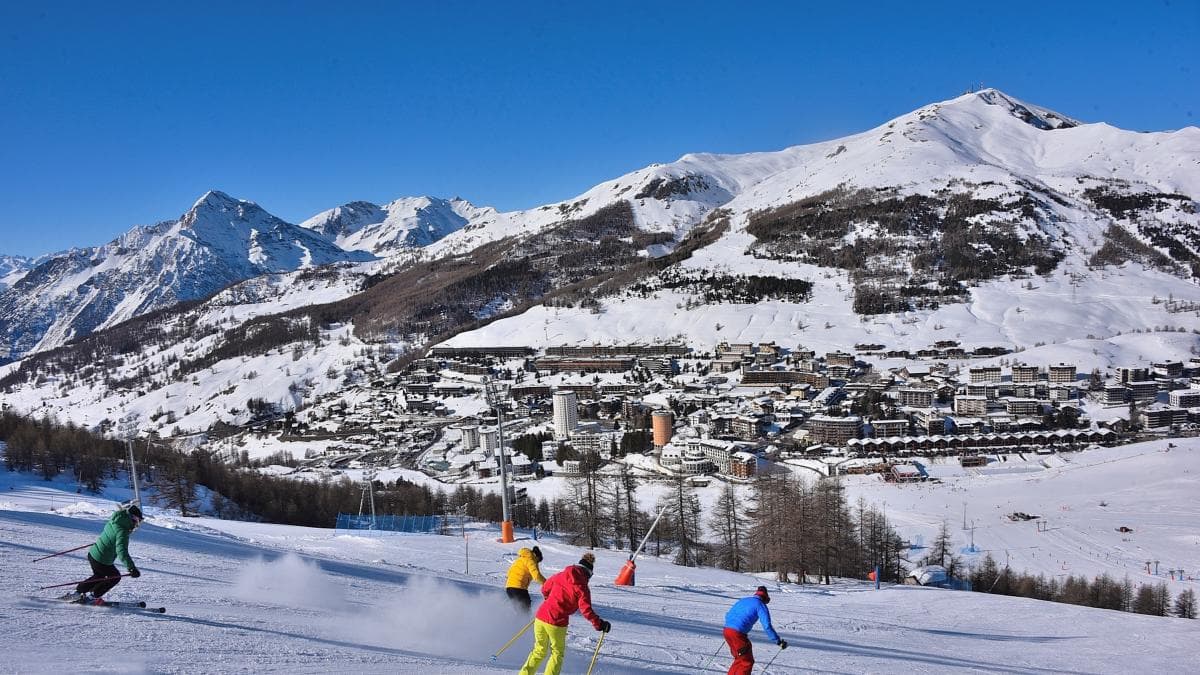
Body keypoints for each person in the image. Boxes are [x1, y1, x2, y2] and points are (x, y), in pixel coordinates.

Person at [518, 552, 611, 675]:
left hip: (540, 617)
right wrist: (599, 624)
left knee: (539, 651)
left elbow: (545, 587)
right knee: (557, 653)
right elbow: (586, 610)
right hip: (557, 622)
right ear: (588, 573)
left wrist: (548, 599)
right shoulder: (582, 588)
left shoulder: (560, 575)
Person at [69, 503, 143, 605]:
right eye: (137, 521)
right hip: (102, 559)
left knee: (100, 575)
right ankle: (92, 597)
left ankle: (77, 593)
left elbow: (110, 536)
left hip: (94, 554)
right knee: (115, 577)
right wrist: (131, 568)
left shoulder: (115, 520)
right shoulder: (122, 531)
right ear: (132, 518)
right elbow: (122, 551)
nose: (136, 525)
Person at [723, 586, 786, 675]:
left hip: (727, 630)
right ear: (765, 598)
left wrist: (731, 627)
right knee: (747, 662)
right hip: (738, 634)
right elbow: (767, 626)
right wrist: (778, 641)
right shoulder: (760, 605)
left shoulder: (743, 600)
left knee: (739, 659)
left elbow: (728, 614)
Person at [505, 545, 547, 611]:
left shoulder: (519, 560)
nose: (537, 563)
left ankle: (517, 620)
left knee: (519, 609)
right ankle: (524, 620)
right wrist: (546, 583)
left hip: (509, 588)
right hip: (519, 588)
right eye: (538, 561)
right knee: (525, 610)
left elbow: (508, 573)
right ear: (537, 557)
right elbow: (536, 576)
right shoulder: (531, 560)